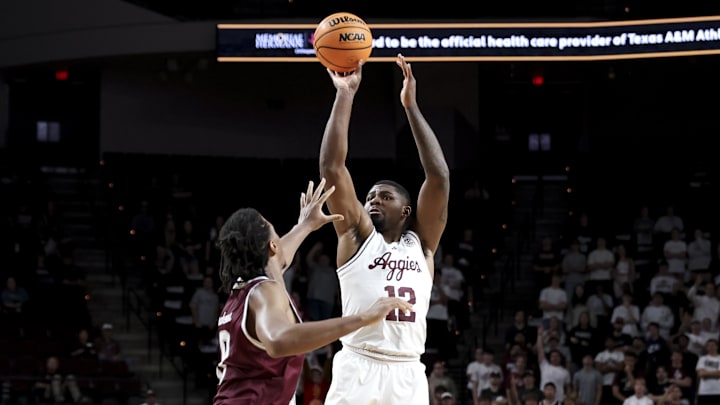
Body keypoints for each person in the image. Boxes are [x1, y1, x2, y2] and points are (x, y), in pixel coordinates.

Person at [318, 53, 450, 405]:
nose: (373, 200)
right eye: (370, 195)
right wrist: (345, 93)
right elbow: (332, 168)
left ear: (406, 211)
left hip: (407, 370)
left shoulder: (421, 246)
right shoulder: (357, 237)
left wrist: (411, 107)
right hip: (359, 363)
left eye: (384, 196)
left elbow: (439, 178)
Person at [212, 178, 413, 405]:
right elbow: (279, 341)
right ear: (272, 246)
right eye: (275, 231)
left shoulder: (242, 293)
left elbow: (278, 258)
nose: (280, 238)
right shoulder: (264, 291)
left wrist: (305, 224)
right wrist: (363, 318)